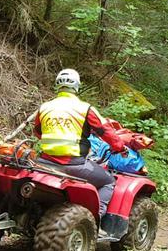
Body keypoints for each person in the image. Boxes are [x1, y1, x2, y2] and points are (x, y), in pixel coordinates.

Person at [33, 68, 127, 218]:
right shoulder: (85, 109)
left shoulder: (44, 107)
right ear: (77, 85)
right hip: (73, 164)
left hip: (44, 162)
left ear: (57, 85)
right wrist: (120, 147)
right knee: (108, 182)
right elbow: (106, 132)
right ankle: (94, 221)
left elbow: (38, 132)